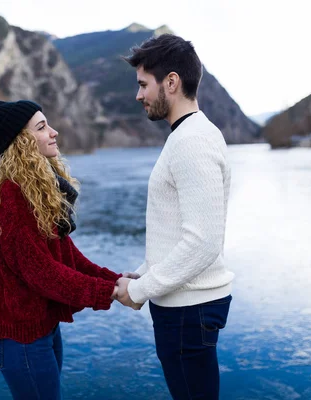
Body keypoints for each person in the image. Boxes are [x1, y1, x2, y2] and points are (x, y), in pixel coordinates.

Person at [0, 85, 126, 400]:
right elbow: (42, 272)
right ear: (22, 142)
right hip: (20, 341)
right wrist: (111, 293)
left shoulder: (38, 188)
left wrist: (114, 279)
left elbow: (67, 255)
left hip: (43, 330)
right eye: (41, 127)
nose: (54, 132)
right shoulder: (12, 194)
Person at [114, 34, 235, 400]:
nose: (139, 96)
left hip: (188, 311)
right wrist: (147, 270)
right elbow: (180, 229)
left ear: (171, 81)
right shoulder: (189, 136)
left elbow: (202, 242)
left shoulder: (192, 142)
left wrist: (139, 290)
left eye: (143, 84)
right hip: (185, 306)